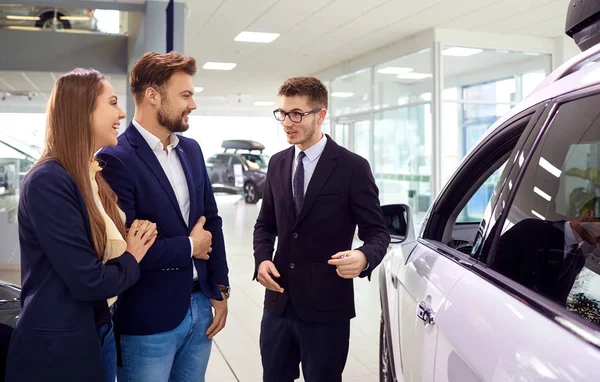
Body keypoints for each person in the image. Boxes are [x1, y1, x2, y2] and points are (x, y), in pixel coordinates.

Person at [5, 68, 157, 382]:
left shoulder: (91, 177)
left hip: (97, 330)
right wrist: (132, 255)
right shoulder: (48, 180)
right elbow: (89, 281)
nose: (121, 112)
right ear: (82, 111)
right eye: (112, 103)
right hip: (58, 346)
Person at [97, 52, 230, 382]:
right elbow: (127, 249)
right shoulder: (115, 159)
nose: (193, 104)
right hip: (148, 317)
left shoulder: (192, 150)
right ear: (153, 96)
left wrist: (220, 288)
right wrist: (188, 246)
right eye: (185, 95)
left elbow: (211, 221)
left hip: (200, 309)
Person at [253, 76, 390, 382]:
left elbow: (377, 232)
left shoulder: (352, 167)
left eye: (297, 114)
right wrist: (262, 259)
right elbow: (265, 225)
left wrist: (364, 256)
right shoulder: (277, 163)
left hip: (327, 308)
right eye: (283, 114)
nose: (288, 122)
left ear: (321, 115)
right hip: (278, 304)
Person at [493, 197, 600, 305]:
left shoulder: (579, 260)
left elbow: (559, 301)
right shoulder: (531, 229)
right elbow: (492, 265)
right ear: (587, 215)